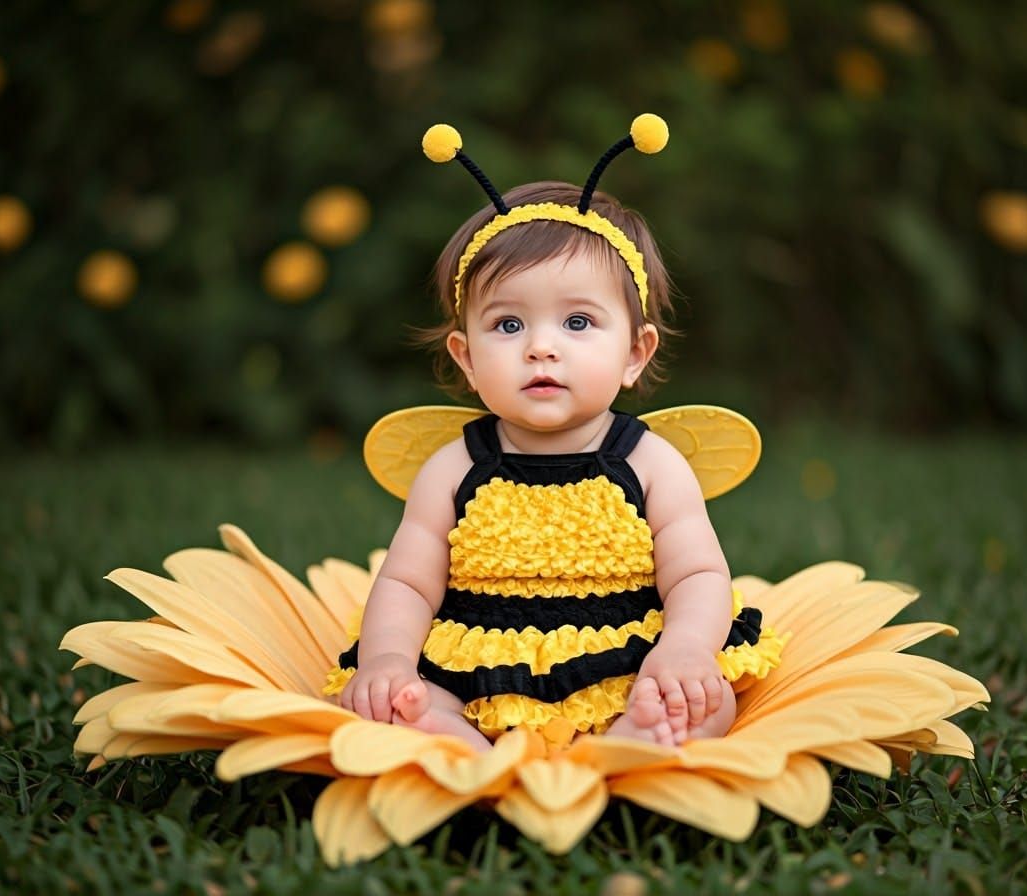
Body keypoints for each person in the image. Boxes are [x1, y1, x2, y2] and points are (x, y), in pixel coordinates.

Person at [324, 116, 782, 751]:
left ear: (635, 353)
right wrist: (387, 662)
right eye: (508, 326)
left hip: (626, 658)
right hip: (479, 668)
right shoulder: (454, 468)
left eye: (577, 321)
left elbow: (698, 574)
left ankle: (638, 735)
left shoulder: (652, 463)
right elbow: (407, 582)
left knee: (708, 699)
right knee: (406, 701)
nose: (541, 348)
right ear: (465, 356)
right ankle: (451, 737)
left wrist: (681, 651)